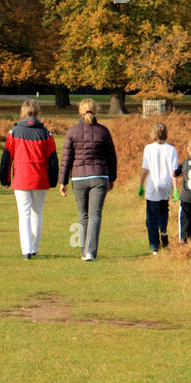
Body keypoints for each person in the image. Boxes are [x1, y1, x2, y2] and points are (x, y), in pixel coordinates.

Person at [58, 98, 117, 262]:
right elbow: (112, 157)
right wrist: (112, 177)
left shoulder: (72, 131)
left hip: (78, 178)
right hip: (99, 176)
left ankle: (84, 252)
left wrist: (63, 181)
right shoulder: (103, 131)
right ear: (95, 110)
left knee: (83, 215)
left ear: (80, 111)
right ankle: (90, 252)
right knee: (95, 215)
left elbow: (66, 159)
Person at [0, 99, 58, 258]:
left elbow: (7, 157)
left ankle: (26, 250)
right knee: (37, 213)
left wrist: (5, 178)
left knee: (24, 214)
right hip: (40, 178)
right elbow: (53, 159)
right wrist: (53, 180)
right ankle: (34, 247)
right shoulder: (46, 133)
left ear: (23, 112)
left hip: (21, 178)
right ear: (37, 112)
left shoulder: (14, 132)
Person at [139, 121, 179, 254]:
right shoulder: (172, 149)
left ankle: (154, 245)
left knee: (151, 216)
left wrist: (140, 185)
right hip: (166, 185)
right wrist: (175, 189)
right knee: (163, 210)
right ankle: (164, 230)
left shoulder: (148, 148)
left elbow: (145, 169)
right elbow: (174, 171)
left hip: (153, 186)